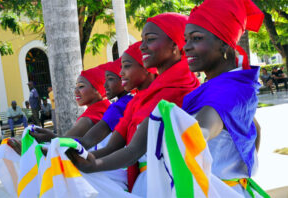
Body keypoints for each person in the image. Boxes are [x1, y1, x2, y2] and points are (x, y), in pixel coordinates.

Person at [67, 13, 199, 195]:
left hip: (169, 184)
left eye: (150, 39)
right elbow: (114, 146)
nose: (143, 46)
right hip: (144, 181)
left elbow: (134, 150)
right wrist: (59, 151)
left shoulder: (183, 90)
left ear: (175, 45)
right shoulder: (137, 101)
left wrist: (91, 163)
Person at [180, 0, 267, 196]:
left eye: (196, 38)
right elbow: (256, 129)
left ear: (224, 44)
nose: (186, 47)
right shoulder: (233, 85)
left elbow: (202, 129)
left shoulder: (225, 91)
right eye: (186, 40)